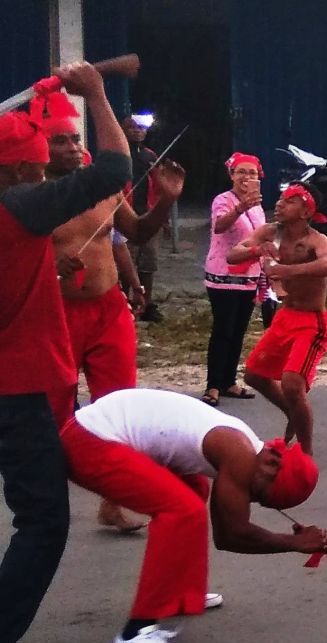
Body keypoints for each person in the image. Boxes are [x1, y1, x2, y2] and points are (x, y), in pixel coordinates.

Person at [0, 62, 131, 643]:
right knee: (43, 521)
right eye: (35, 158)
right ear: (25, 167)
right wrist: (98, 94)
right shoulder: (23, 208)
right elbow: (113, 170)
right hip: (17, 387)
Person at [59, 388, 324, 643]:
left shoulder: (248, 447)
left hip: (94, 429)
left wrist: (291, 539)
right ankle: (136, 635)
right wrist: (294, 543)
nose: (249, 500)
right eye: (258, 495)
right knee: (183, 510)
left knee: (193, 489)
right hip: (88, 440)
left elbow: (229, 525)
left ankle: (182, 592)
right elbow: (230, 536)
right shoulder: (239, 455)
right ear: (271, 464)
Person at [34, 96, 182, 534]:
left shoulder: (102, 184)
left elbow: (126, 234)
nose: (70, 147)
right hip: (57, 315)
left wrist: (166, 202)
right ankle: (46, 504)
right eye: (58, 141)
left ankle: (112, 502)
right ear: (40, 150)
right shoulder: (30, 197)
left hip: (109, 310)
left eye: (74, 138)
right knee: (54, 414)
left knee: (120, 407)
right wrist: (48, 268)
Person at [229, 182, 327, 455]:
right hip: (285, 317)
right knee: (255, 375)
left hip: (311, 321)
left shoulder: (315, 240)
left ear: (305, 212)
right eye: (280, 198)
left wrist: (288, 271)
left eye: (289, 201)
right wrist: (258, 250)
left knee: (292, 384)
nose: (279, 204)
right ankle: (293, 414)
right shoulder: (270, 232)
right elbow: (233, 255)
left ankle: (306, 453)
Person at [201, 152, 266, 407]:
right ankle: (213, 385)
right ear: (231, 175)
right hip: (223, 277)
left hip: (249, 275)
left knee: (238, 331)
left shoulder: (259, 207)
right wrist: (241, 207)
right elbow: (220, 226)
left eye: (251, 173)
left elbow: (260, 235)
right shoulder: (223, 200)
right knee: (223, 331)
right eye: (241, 172)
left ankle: (229, 381)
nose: (246, 177)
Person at [122, 113, 164, 322]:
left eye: (141, 128)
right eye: (132, 128)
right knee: (124, 262)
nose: (138, 131)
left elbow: (159, 187)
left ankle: (147, 304)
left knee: (148, 263)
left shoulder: (150, 155)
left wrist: (161, 216)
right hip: (123, 217)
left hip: (147, 214)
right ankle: (123, 303)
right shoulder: (117, 153)